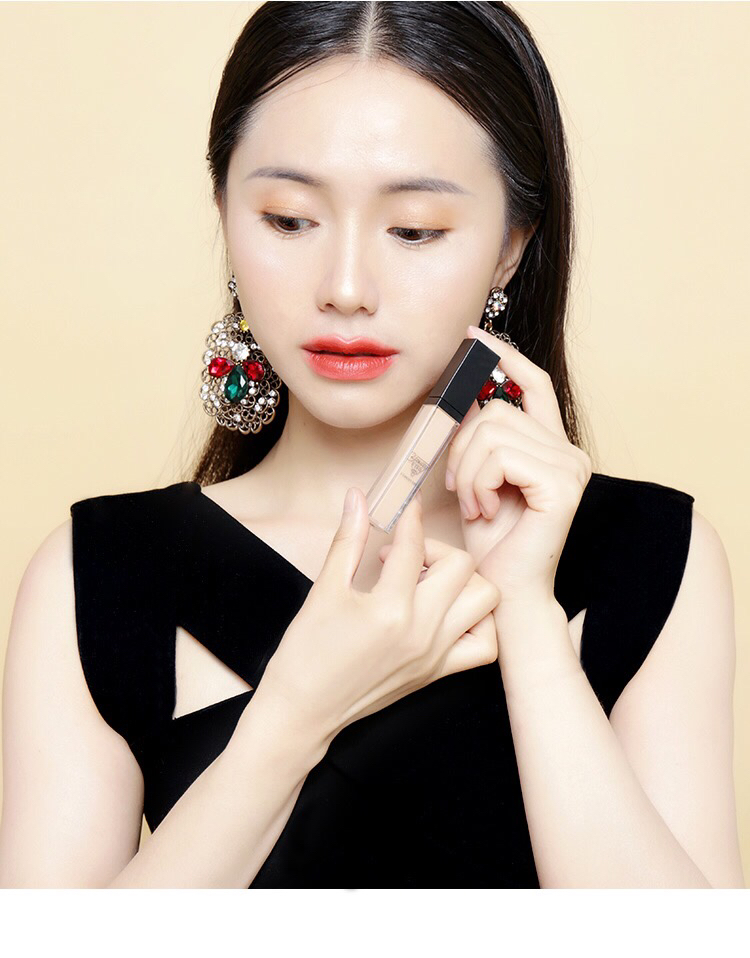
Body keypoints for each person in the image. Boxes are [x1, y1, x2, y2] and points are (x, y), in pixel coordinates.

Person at [0, 1, 744, 889]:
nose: (347, 288)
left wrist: (529, 620)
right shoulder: (96, 575)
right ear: (225, 213)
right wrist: (293, 714)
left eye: (414, 229)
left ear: (512, 247)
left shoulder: (653, 556)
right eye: (288, 220)